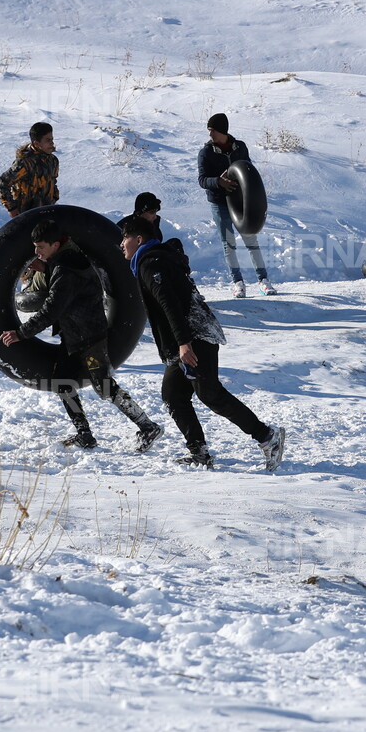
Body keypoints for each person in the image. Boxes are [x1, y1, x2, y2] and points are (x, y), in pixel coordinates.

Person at [121, 217, 286, 471]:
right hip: (190, 335)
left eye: (125, 238)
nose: (122, 244)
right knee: (174, 395)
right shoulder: (155, 259)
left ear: (139, 240)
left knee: (209, 393)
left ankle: (267, 437)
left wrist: (184, 343)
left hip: (193, 336)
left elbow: (169, 305)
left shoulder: (149, 263)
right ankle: (199, 453)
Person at [0, 220, 162, 452]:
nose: (36, 252)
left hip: (89, 338)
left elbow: (52, 309)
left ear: (56, 244)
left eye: (41, 247)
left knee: (104, 386)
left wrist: (21, 333)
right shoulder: (65, 260)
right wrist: (45, 268)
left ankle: (147, 426)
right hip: (73, 335)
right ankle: (84, 433)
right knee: (61, 382)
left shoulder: (66, 270)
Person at [197, 113, 274, 298]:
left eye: (213, 130)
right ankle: (237, 283)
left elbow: (247, 168)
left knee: (251, 240)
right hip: (219, 203)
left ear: (222, 130)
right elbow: (202, 180)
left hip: (240, 200)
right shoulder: (205, 153)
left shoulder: (240, 147)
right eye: (209, 130)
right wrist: (218, 182)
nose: (210, 134)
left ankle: (263, 281)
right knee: (228, 244)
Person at [0, 122, 60, 218]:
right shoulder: (25, 163)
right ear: (36, 143)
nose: (52, 143)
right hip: (26, 215)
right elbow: (2, 183)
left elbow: (53, 181)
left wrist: (54, 197)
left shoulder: (53, 161)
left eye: (52, 139)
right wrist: (11, 208)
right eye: (47, 140)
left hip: (46, 212)